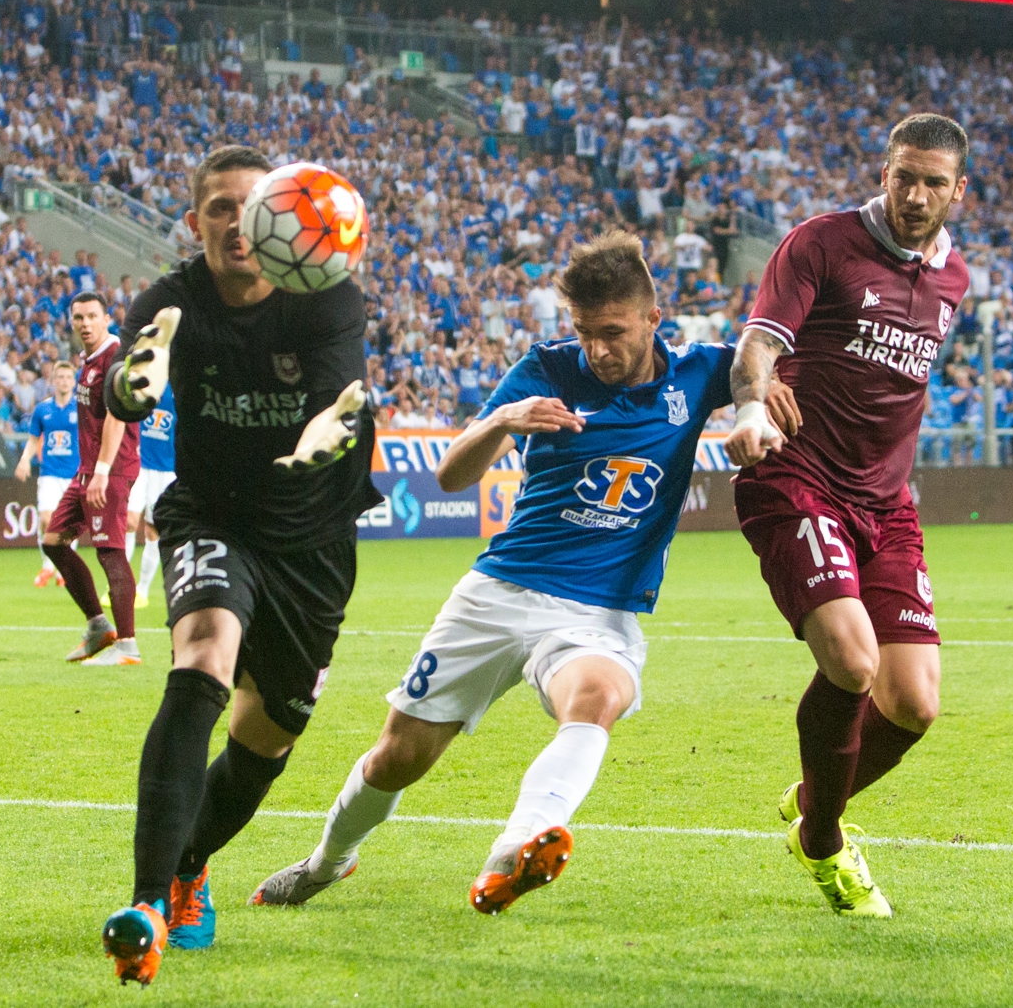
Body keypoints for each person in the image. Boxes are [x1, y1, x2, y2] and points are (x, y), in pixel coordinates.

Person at [251, 232, 796, 916]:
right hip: (501, 590)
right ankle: (326, 862)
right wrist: (505, 417)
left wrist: (756, 407)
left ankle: (516, 848)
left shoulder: (698, 371)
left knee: (596, 696)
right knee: (399, 756)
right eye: (584, 332)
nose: (598, 348)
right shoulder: (546, 367)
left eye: (613, 332)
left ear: (654, 319)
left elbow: (760, 357)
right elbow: (452, 473)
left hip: (600, 609)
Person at [95, 145, 379, 987]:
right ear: (198, 224)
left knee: (266, 738)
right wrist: (126, 386)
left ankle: (190, 864)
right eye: (217, 207)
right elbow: (131, 369)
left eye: (249, 205)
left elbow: (341, 401)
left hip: (315, 541)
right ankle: (148, 902)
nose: (234, 220)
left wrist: (323, 438)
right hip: (213, 518)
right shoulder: (174, 298)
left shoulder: (325, 294)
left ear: (277, 214)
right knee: (203, 656)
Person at [724, 113, 971, 919]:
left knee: (915, 704)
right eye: (905, 175)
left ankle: (810, 800)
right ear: (886, 171)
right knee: (853, 662)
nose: (916, 193)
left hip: (887, 505)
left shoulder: (954, 279)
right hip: (796, 476)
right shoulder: (821, 243)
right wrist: (755, 403)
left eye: (934, 181)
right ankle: (825, 842)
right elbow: (757, 343)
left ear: (958, 192)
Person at [41, 295, 142, 666]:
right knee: (53, 541)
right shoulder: (88, 361)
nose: (85, 323)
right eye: (78, 317)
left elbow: (117, 416)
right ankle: (99, 627)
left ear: (106, 319)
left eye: (92, 316)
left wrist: (101, 472)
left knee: (110, 550)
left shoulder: (115, 358)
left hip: (110, 469)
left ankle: (128, 645)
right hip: (87, 469)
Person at [15, 361, 80, 587]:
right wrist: (25, 460)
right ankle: (47, 567)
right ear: (53, 381)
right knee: (45, 520)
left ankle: (65, 569)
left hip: (74, 474)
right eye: (59, 377)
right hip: (50, 472)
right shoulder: (43, 409)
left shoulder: (81, 408)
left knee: (70, 526)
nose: (63, 381)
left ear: (73, 381)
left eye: (67, 377)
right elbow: (33, 440)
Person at [123, 382, 177, 608]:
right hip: (140, 464)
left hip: (166, 470)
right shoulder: (146, 385)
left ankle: (141, 590)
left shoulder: (181, 389)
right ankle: (119, 584)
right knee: (128, 521)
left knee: (153, 530)